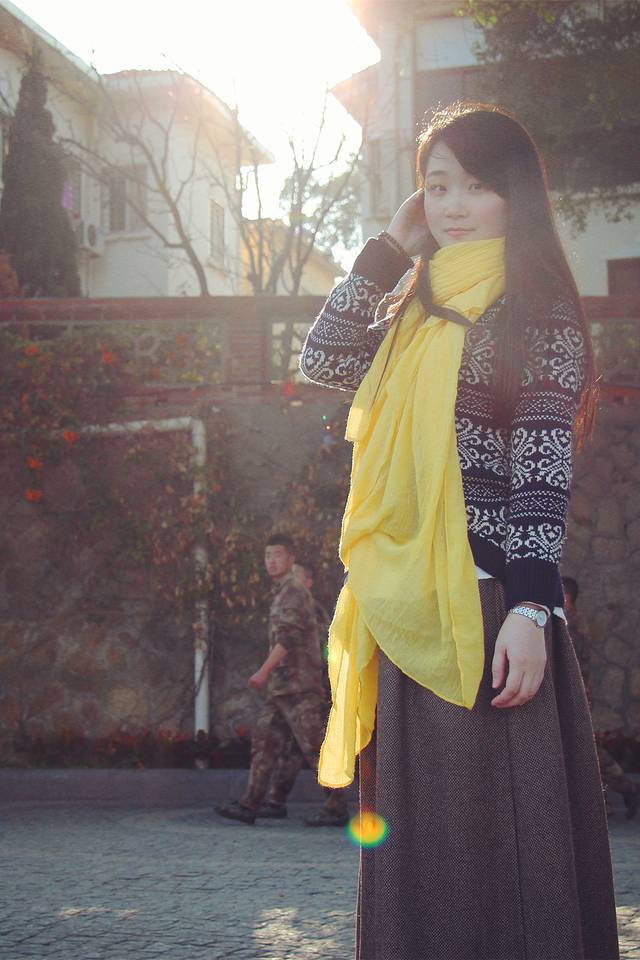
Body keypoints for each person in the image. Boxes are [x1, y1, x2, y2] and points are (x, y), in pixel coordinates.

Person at [299, 102, 619, 960]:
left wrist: (532, 610)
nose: (453, 205)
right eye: (437, 186)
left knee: (506, 843)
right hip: (404, 603)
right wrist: (385, 251)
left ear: (516, 195)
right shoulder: (415, 304)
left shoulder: (536, 309)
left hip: (486, 609)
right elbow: (323, 359)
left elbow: (540, 466)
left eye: (476, 186)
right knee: (421, 851)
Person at [215, 533, 325, 824]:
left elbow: (289, 637)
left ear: (290, 558)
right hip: (282, 687)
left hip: (299, 687)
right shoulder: (281, 592)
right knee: (264, 744)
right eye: (268, 556)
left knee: (314, 748)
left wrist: (263, 671)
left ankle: (338, 806)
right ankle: (250, 803)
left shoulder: (294, 591)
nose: (272, 561)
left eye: (278, 555)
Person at [562, 575, 639, 820]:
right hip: (573, 695)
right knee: (586, 750)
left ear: (567, 597)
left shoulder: (571, 626)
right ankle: (620, 793)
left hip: (573, 697)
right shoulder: (568, 622)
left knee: (587, 751)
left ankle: (614, 797)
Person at [292, 560, 351, 827]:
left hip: (308, 686)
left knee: (313, 744)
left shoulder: (312, 610)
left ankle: (335, 803)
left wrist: (326, 677)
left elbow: (329, 647)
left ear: (309, 582)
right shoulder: (291, 605)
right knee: (278, 745)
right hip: (289, 687)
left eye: (297, 575)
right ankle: (266, 801)